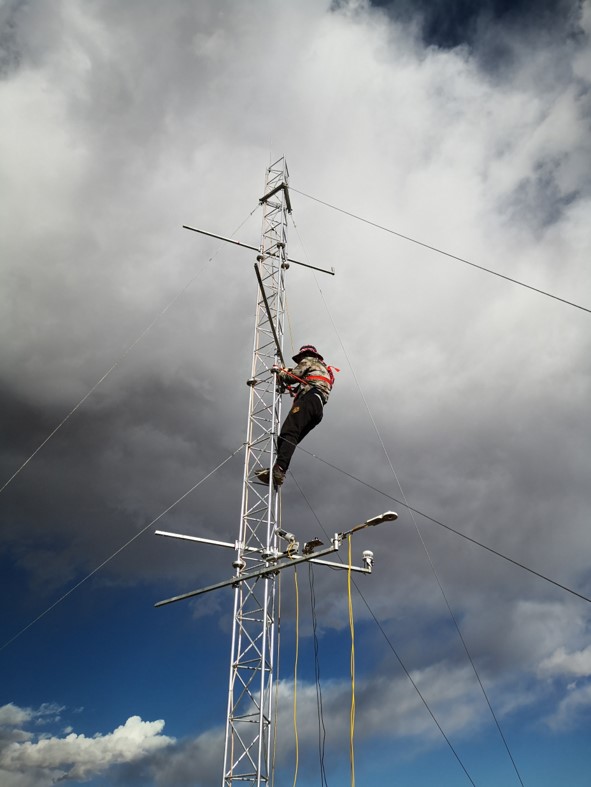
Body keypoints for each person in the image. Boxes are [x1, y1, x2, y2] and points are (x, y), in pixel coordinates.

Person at [255, 345, 336, 487]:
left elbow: (293, 377)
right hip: (318, 408)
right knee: (290, 438)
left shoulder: (308, 361)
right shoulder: (324, 369)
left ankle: (279, 470)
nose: (299, 360)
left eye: (300, 358)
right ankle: (279, 469)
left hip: (309, 400)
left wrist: (280, 372)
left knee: (288, 433)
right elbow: (303, 381)